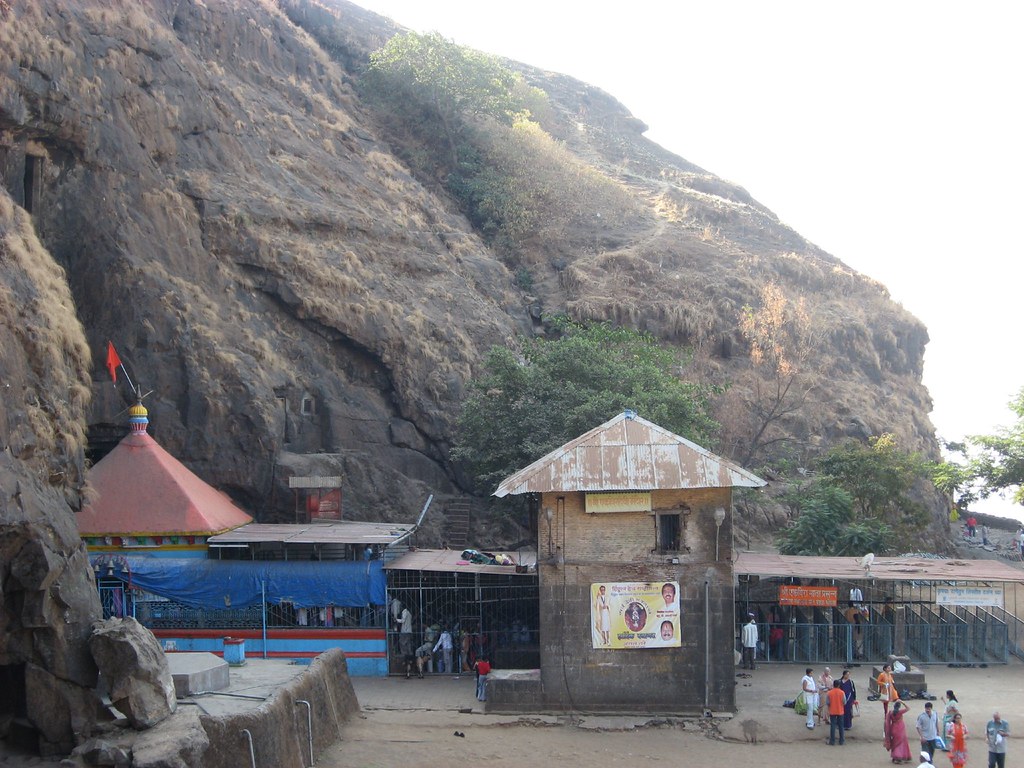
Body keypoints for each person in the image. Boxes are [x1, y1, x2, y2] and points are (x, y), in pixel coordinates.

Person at [827, 679, 847, 745]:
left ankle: (832, 741)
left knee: (832, 726)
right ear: (839, 685)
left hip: (832, 711)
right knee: (841, 726)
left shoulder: (829, 693)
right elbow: (844, 702)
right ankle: (842, 741)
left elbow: (828, 703)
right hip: (840, 711)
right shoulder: (842, 692)